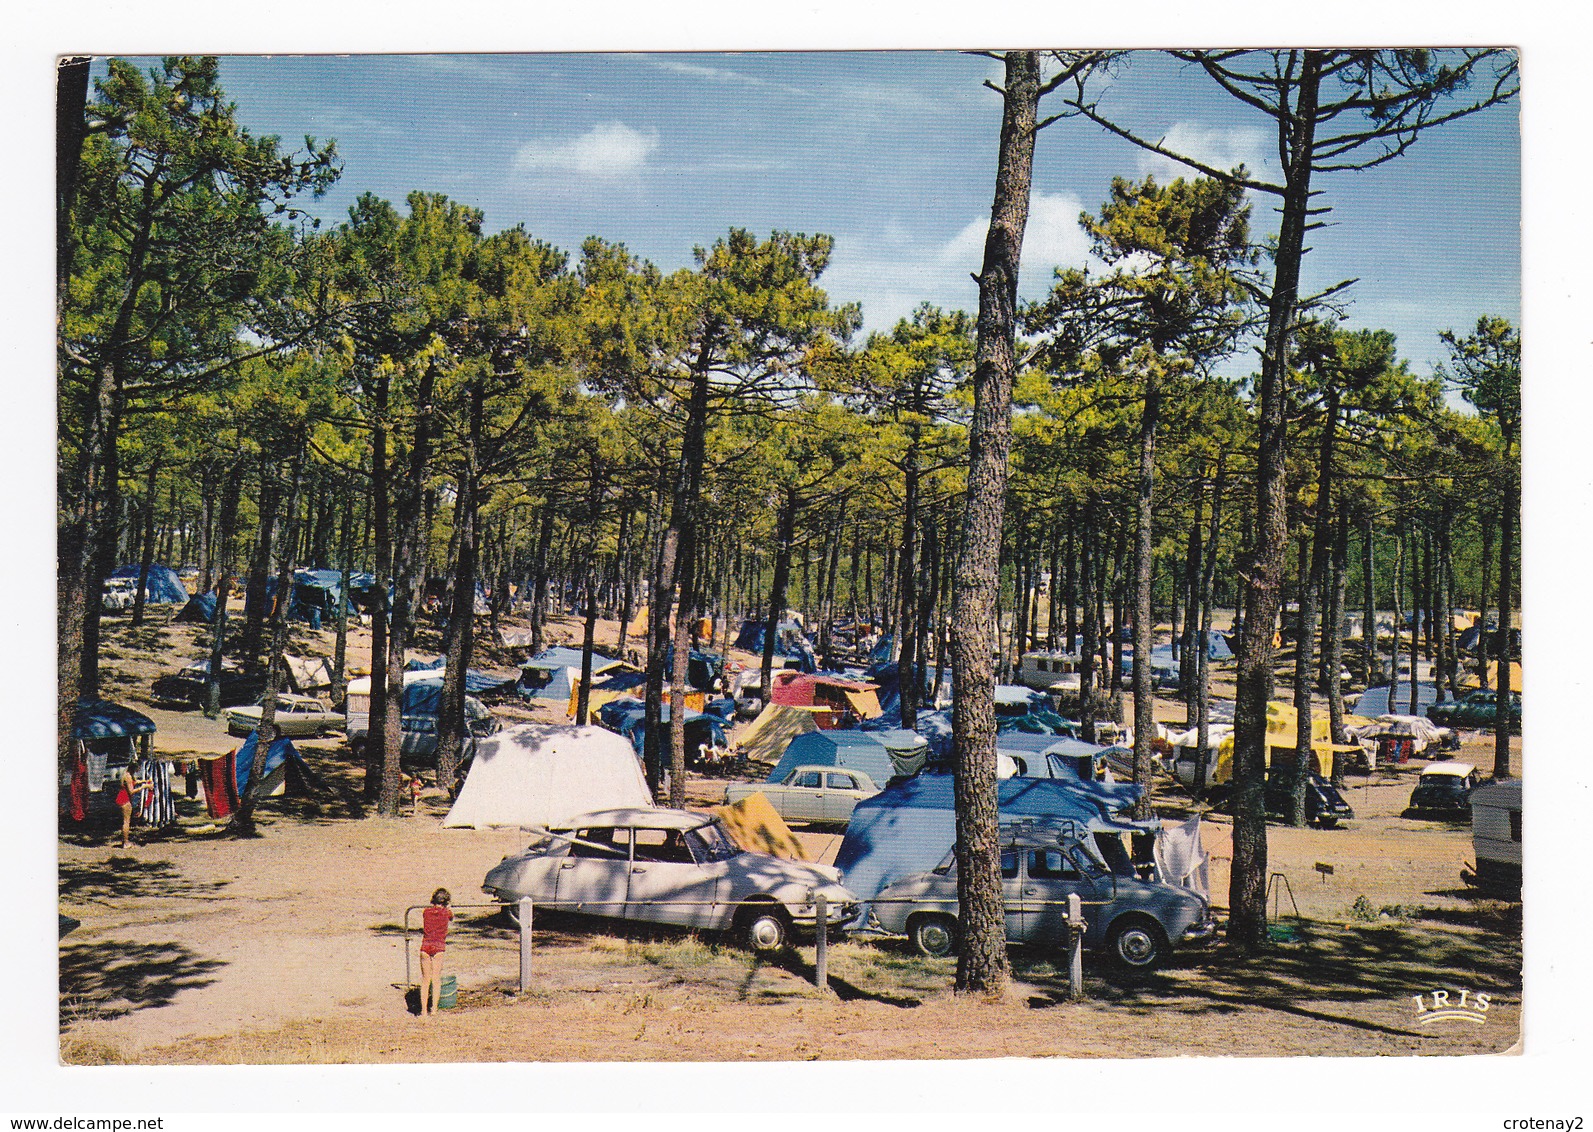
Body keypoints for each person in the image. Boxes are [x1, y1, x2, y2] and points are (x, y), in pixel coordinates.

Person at [418, 887, 453, 1018]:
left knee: (425, 980)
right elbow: (451, 916)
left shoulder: (426, 912)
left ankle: (423, 1011)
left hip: (425, 946)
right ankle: (434, 1009)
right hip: (438, 947)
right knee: (436, 979)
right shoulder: (447, 913)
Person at [114, 763, 149, 849]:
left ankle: (125, 841)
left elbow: (134, 782)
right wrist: (143, 787)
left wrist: (143, 781)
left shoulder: (127, 775)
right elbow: (131, 791)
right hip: (125, 800)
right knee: (126, 822)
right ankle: (125, 843)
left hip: (122, 798)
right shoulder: (128, 777)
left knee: (125, 821)